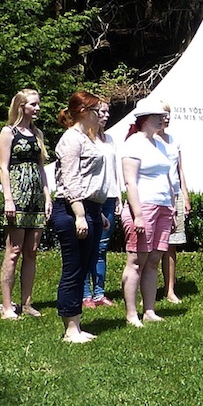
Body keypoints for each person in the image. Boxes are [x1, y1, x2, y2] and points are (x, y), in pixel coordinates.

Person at [52, 91, 109, 342]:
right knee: (73, 270)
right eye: (98, 111)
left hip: (91, 209)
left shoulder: (89, 138)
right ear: (85, 112)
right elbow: (71, 179)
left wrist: (97, 213)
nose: (102, 116)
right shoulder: (71, 139)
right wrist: (80, 215)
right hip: (73, 209)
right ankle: (70, 329)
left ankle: (76, 324)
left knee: (85, 266)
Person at [120, 97, 174, 327]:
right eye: (157, 116)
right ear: (145, 118)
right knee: (136, 260)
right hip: (143, 206)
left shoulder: (161, 144)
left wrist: (172, 207)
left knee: (153, 259)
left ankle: (149, 309)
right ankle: (131, 313)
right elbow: (130, 182)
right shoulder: (134, 143)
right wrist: (138, 214)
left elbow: (168, 178)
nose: (162, 119)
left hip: (163, 206)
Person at [1, 89, 50, 320]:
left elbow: (41, 167)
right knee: (14, 251)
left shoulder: (37, 133)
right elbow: (3, 166)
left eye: (38, 104)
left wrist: (47, 196)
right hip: (18, 194)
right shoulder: (8, 132)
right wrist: (8, 199)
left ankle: (27, 302)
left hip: (36, 198)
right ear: (21, 106)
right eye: (33, 104)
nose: (38, 108)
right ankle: (7, 305)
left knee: (32, 251)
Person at [83, 100, 121, 308]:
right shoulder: (84, 139)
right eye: (101, 112)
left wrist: (119, 197)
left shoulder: (110, 140)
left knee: (101, 248)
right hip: (91, 198)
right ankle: (85, 293)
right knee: (87, 246)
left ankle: (99, 293)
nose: (106, 116)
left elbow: (114, 169)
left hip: (110, 197)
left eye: (108, 112)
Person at [157, 103, 190, 304]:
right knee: (152, 246)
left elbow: (180, 170)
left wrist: (185, 195)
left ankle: (170, 290)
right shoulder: (146, 140)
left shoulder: (174, 140)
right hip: (156, 196)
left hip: (175, 194)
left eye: (168, 114)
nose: (166, 118)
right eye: (162, 114)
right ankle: (148, 290)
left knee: (171, 246)